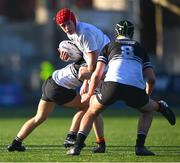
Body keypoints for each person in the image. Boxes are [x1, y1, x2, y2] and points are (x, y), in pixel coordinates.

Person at [67, 20, 176, 156]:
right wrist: (146, 96)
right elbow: (152, 78)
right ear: (131, 33)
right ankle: (141, 145)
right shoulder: (139, 47)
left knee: (91, 111)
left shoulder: (109, 45)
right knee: (147, 111)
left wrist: (90, 94)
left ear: (116, 32)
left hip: (112, 85)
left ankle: (77, 147)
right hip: (135, 87)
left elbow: (96, 75)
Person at [7, 58, 104, 153]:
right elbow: (84, 74)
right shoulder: (92, 63)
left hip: (50, 82)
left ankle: (16, 143)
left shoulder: (86, 59)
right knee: (88, 108)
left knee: (39, 117)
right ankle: (71, 137)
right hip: (59, 89)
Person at [55, 7, 110, 151]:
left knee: (90, 106)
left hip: (106, 67)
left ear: (73, 20)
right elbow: (86, 58)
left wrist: (87, 80)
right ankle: (98, 142)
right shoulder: (73, 33)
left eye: (68, 23)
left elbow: (94, 61)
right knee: (92, 107)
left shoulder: (84, 33)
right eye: (63, 26)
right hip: (100, 67)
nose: (66, 27)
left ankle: (78, 140)